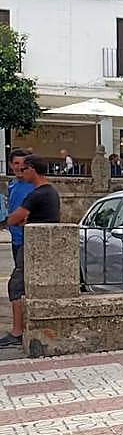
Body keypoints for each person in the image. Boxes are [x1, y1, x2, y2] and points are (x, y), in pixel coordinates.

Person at [2, 155, 61, 349]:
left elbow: (14, 218)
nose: (21, 172)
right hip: (44, 246)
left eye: (24, 169)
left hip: (33, 247)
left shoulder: (36, 194)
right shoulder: (51, 192)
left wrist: (6, 222)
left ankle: (17, 332)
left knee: (16, 286)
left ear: (32, 169)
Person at [2, 149, 33, 348]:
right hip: (15, 240)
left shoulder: (33, 186)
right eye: (16, 163)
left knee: (17, 285)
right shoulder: (12, 185)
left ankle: (17, 331)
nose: (20, 167)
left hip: (27, 241)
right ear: (11, 165)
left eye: (23, 164)